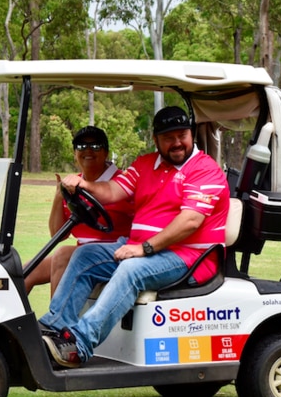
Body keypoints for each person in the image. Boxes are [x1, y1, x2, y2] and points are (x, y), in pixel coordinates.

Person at [40, 106, 230, 368]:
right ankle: (53, 328)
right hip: (143, 250)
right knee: (86, 255)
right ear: (156, 140)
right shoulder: (144, 165)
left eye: (182, 135)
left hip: (190, 257)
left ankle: (80, 344)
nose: (177, 143)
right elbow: (112, 190)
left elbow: (190, 221)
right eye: (168, 137)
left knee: (131, 269)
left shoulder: (204, 169)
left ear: (191, 134)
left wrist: (145, 248)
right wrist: (85, 185)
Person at [24, 126, 133, 295]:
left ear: (105, 152)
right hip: (82, 253)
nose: (88, 150)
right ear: (75, 155)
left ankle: (57, 321)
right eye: (81, 147)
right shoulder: (72, 183)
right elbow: (57, 234)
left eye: (95, 146)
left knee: (62, 255)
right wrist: (59, 196)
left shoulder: (123, 183)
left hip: (115, 254)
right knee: (24, 272)